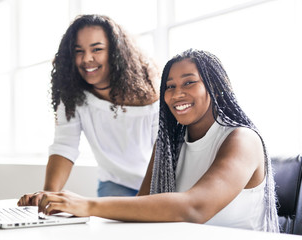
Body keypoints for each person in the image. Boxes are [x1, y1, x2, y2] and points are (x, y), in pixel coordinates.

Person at [22, 49, 280, 232]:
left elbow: (195, 208)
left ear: (217, 88)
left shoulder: (241, 139)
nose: (177, 93)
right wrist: (64, 207)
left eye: (189, 82)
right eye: (169, 86)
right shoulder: (168, 144)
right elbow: (141, 207)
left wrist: (86, 204)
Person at [18, 14, 160, 202]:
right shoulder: (72, 96)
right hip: (114, 183)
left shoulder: (151, 91)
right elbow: (64, 146)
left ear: (116, 52)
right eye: (78, 51)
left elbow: (161, 153)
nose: (87, 59)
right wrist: (47, 194)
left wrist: (140, 203)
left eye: (97, 49)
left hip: (158, 182)